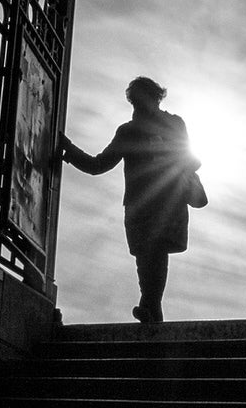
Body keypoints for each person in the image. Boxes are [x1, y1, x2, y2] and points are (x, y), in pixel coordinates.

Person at [59, 77, 204, 324]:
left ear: (155, 98)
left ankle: (149, 307)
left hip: (166, 204)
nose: (138, 107)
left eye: (141, 101)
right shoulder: (129, 131)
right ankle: (151, 311)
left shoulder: (173, 125)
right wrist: (69, 149)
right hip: (140, 207)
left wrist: (164, 150)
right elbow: (98, 165)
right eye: (134, 102)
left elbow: (192, 161)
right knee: (147, 259)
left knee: (154, 254)